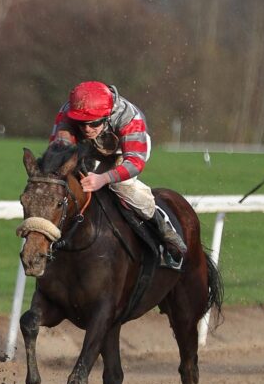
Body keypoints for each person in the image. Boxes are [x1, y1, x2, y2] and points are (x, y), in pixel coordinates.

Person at [51, 81, 186, 261]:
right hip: (91, 148)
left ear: (107, 115)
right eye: (81, 124)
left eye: (94, 123)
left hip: (127, 151)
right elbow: (57, 151)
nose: (87, 129)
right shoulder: (68, 112)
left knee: (120, 186)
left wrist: (103, 178)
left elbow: (135, 163)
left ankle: (162, 227)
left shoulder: (128, 117)